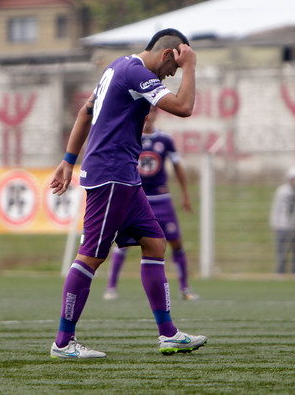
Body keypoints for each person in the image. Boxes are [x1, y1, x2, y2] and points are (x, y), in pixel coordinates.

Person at [49, 28, 207, 359]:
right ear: (167, 55)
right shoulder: (136, 72)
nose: (172, 75)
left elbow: (85, 113)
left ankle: (168, 334)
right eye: (173, 69)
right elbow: (183, 106)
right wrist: (191, 66)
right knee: (91, 255)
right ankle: (63, 342)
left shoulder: (118, 66)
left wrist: (67, 161)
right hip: (111, 175)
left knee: (154, 242)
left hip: (124, 176)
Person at [103, 106, 199, 301]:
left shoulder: (164, 140)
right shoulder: (129, 137)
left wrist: (186, 195)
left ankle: (185, 289)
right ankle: (111, 287)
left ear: (156, 115)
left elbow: (178, 167)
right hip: (135, 198)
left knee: (176, 242)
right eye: (145, 112)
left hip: (161, 199)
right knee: (122, 243)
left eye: (152, 112)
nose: (148, 116)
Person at [269, 166, 295, 274]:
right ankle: (281, 272)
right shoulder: (281, 191)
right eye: (293, 179)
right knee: (281, 251)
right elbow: (276, 207)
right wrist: (274, 223)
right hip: (283, 226)